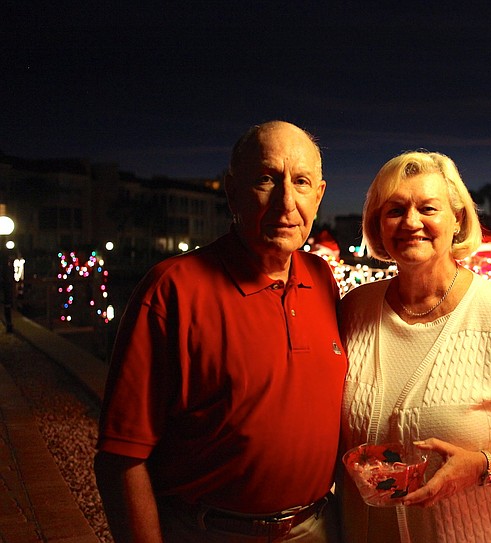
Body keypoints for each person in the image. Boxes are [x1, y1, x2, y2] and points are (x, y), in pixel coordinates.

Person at [94, 121, 347, 543]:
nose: (286, 201)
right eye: (266, 179)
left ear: (318, 196)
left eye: (301, 182)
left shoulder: (322, 279)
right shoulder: (173, 289)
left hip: (317, 527)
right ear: (232, 192)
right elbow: (120, 457)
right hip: (210, 532)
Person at [338, 151, 491, 543]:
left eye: (428, 208)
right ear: (377, 225)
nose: (411, 222)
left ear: (457, 220)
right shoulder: (354, 309)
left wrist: (482, 466)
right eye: (395, 210)